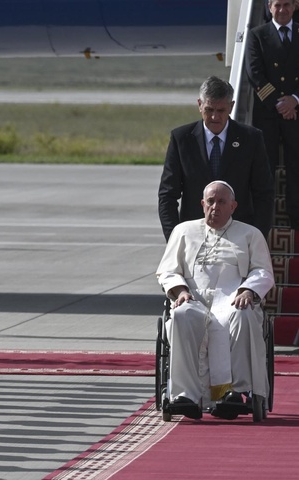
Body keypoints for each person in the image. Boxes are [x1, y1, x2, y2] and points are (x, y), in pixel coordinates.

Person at [156, 181, 273, 420]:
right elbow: (167, 270)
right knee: (181, 314)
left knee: (243, 315)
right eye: (210, 201)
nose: (215, 207)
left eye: (221, 202)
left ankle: (236, 392)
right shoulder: (183, 231)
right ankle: (185, 395)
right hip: (193, 297)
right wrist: (180, 292)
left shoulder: (250, 234)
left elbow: (263, 272)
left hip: (232, 299)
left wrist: (248, 291)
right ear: (202, 204)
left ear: (233, 206)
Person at [158, 76, 273, 241]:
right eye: (209, 110)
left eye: (221, 111)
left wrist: (256, 237)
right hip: (194, 236)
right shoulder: (181, 139)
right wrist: (174, 238)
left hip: (239, 235)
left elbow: (264, 193)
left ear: (231, 107)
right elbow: (167, 195)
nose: (214, 117)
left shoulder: (251, 139)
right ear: (200, 105)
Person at [245, 0, 299, 227]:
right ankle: (262, 225)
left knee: (296, 170)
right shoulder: (257, 35)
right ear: (268, 7)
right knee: (264, 170)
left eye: (287, 4)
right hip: (268, 114)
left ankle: (296, 222)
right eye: (277, 5)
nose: (282, 10)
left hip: (296, 113)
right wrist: (280, 103)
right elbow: (254, 73)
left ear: (295, 6)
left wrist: (294, 100)